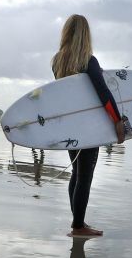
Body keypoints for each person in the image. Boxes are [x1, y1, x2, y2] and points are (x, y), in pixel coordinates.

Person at [52, 14, 125, 238]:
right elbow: (103, 93)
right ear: (86, 34)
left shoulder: (58, 60)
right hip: (89, 129)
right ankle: (78, 226)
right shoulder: (88, 60)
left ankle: (78, 221)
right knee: (85, 175)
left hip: (70, 126)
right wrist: (118, 121)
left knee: (77, 172)